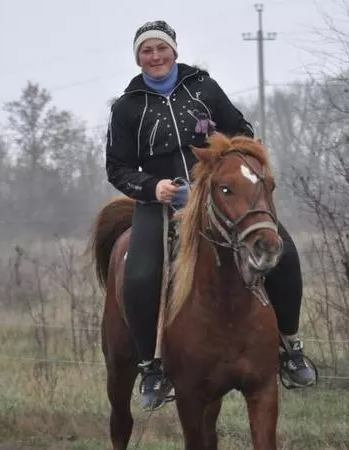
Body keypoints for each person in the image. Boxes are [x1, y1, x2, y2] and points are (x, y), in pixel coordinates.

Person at [104, 20, 316, 411]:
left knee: (284, 253)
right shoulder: (127, 107)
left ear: (174, 51)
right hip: (160, 203)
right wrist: (152, 187)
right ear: (138, 58)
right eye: (147, 51)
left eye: (161, 48)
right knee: (141, 273)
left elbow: (242, 132)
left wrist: (228, 163)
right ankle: (151, 366)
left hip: (219, 197)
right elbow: (117, 168)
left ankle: (290, 347)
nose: (155, 56)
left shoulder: (203, 88)